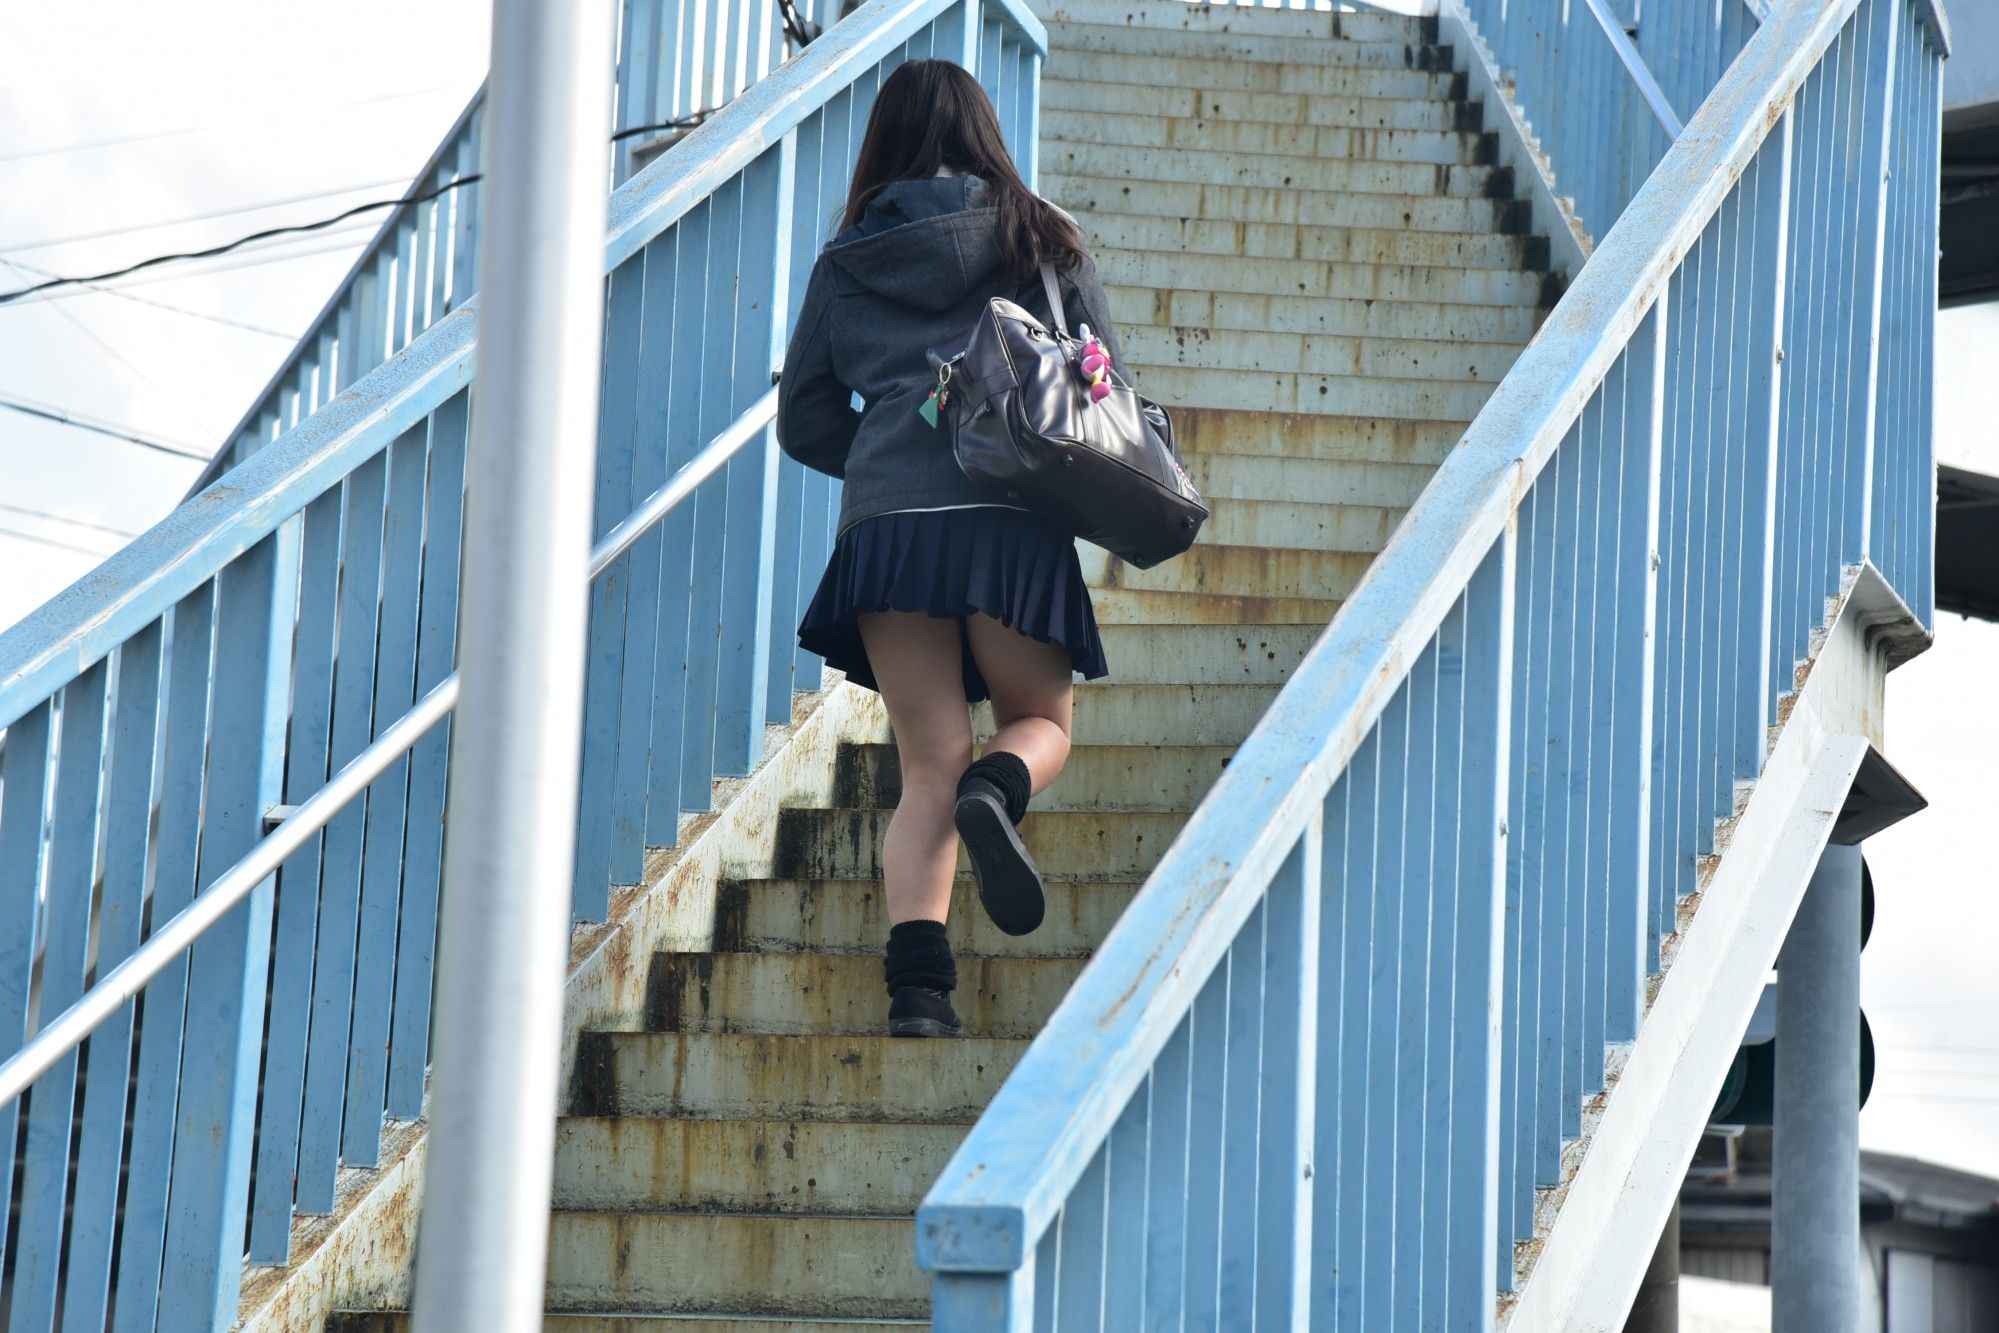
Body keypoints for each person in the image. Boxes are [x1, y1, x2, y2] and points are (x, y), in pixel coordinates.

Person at [776, 58, 1125, 1039]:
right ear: (984, 134)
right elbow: (1106, 388)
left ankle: (918, 993)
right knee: (1038, 721)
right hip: (1010, 516)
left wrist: (888, 457)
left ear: (884, 143)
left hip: (890, 533)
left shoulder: (847, 260)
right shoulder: (1042, 240)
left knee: (927, 764)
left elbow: (803, 419)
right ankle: (998, 787)